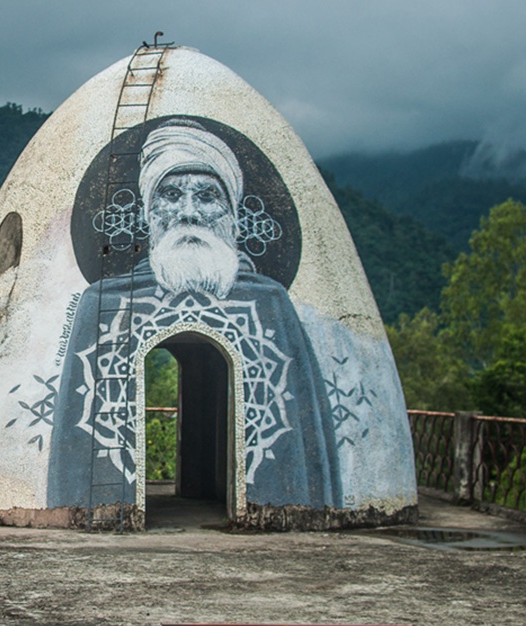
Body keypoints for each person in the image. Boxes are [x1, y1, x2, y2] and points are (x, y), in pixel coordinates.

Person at [46, 118, 342, 510]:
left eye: (207, 196)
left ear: (232, 214)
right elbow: (76, 436)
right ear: (148, 213)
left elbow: (301, 439)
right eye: (169, 195)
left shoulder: (270, 304)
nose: (188, 212)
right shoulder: (103, 304)